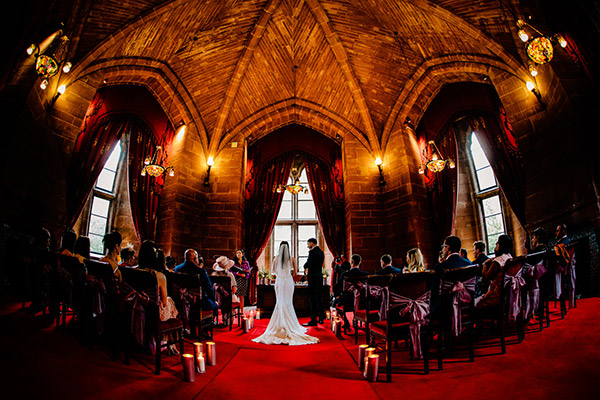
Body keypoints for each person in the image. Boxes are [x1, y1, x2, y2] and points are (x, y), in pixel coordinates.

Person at [252, 241, 319, 345]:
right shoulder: (291, 258)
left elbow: (272, 272)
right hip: (288, 281)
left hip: (279, 281)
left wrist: (279, 275)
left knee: (280, 302)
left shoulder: (276, 258)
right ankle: (291, 324)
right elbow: (295, 273)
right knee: (288, 302)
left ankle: (279, 323)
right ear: (288, 248)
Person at [137, 240, 179, 354]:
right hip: (152, 312)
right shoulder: (159, 276)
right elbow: (164, 303)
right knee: (169, 302)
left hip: (135, 309)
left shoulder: (133, 271)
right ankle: (164, 343)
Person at [430, 235, 472, 314]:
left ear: (448, 247)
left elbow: (434, 291)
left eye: (443, 247)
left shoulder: (440, 267)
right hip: (467, 302)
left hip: (446, 307)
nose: (442, 250)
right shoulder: (469, 264)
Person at [475, 234, 513, 308]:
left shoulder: (497, 262)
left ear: (501, 245)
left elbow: (485, 279)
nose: (496, 244)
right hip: (508, 294)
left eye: (497, 242)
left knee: (476, 304)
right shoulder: (509, 257)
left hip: (496, 296)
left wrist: (485, 265)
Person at [333, 254, 368, 330]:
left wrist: (337, 295)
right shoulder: (365, 274)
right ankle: (355, 320)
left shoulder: (345, 274)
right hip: (362, 301)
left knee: (336, 304)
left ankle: (346, 322)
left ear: (351, 262)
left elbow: (338, 286)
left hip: (347, 300)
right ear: (360, 262)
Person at [302, 238, 325, 326]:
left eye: (308, 244)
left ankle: (314, 319)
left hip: (313, 278)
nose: (307, 245)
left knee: (312, 298)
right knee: (320, 298)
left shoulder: (312, 252)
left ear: (312, 243)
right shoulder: (321, 252)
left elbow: (308, 264)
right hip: (319, 277)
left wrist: (305, 266)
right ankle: (321, 318)